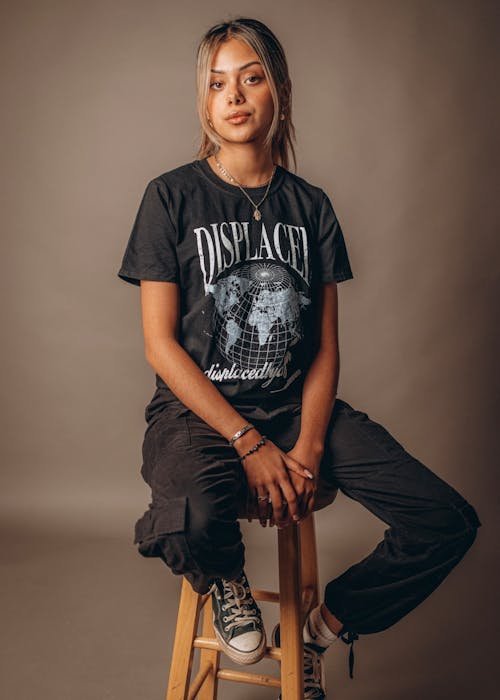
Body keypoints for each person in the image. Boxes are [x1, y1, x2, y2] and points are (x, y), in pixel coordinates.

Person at [117, 17, 481, 699]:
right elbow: (160, 346)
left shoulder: (311, 208)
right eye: (217, 82)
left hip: (296, 409)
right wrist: (245, 440)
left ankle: (315, 630)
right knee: (188, 515)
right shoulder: (170, 198)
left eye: (250, 77)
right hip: (199, 417)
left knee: (445, 521)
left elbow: (324, 349)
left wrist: (308, 446)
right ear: (203, 99)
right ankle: (225, 580)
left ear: (278, 89)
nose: (234, 96)